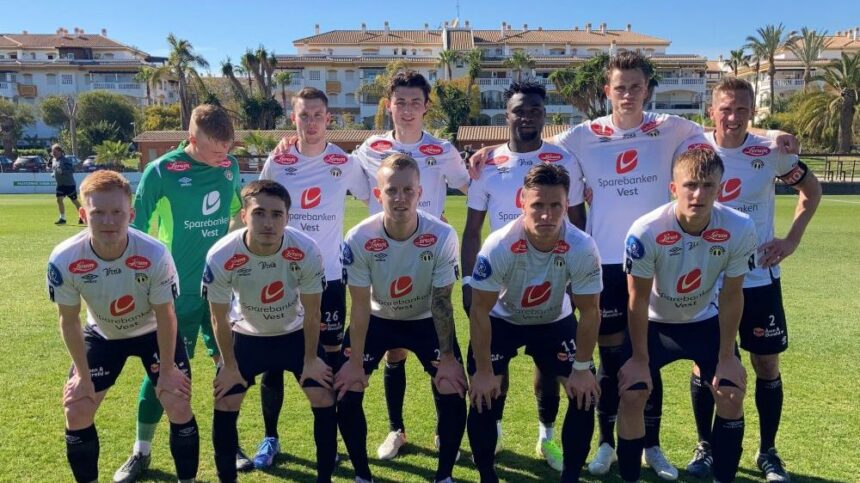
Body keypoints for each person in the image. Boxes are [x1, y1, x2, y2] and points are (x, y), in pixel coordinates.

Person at [468, 51, 798, 480]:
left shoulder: (671, 127)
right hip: (604, 263)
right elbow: (531, 140)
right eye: (620, 87)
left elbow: (724, 128)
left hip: (659, 259)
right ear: (608, 90)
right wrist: (493, 150)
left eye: (636, 87)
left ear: (647, 90)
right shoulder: (584, 134)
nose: (627, 94)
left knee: (645, 359)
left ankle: (651, 447)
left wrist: (771, 132)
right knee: (613, 360)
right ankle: (606, 443)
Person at [683, 78, 821, 481]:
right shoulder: (692, 148)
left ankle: (768, 451)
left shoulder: (770, 152)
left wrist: (791, 240)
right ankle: (706, 447)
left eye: (742, 109)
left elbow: (811, 191)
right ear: (712, 111)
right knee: (705, 363)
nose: (733, 117)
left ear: (751, 112)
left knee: (766, 363)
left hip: (759, 277)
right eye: (725, 109)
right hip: (707, 279)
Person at [115, 104, 246, 482]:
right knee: (164, 372)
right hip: (175, 294)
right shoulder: (161, 171)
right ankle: (141, 451)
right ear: (191, 139)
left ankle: (229, 444)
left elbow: (236, 212)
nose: (223, 156)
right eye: (215, 150)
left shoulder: (229, 167)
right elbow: (135, 230)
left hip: (219, 289)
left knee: (229, 366)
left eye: (227, 148)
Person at [462, 80, 586, 471]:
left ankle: (546, 436)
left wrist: (572, 279)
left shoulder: (564, 159)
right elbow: (471, 230)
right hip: (499, 292)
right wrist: (468, 283)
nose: (527, 117)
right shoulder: (487, 164)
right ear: (507, 115)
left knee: (550, 368)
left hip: (551, 289)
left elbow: (578, 222)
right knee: (492, 372)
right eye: (520, 110)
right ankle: (494, 431)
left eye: (535, 110)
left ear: (544, 115)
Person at [349, 70, 470, 459]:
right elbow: (337, 170)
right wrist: (292, 143)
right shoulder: (370, 148)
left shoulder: (442, 149)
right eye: (400, 101)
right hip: (382, 259)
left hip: (429, 257)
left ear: (426, 106)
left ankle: (442, 432)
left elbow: (471, 183)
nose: (407, 109)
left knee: (437, 345)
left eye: (415, 102)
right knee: (394, 351)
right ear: (389, 105)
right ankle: (396, 430)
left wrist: (490, 158)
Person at [616, 148, 757, 483]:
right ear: (673, 188)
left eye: (708, 186)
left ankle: (723, 478)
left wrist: (727, 356)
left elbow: (732, 294)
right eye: (690, 185)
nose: (698, 194)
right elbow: (637, 299)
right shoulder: (646, 230)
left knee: (731, 392)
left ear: (720, 189)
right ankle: (630, 478)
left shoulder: (739, 227)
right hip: (654, 324)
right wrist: (639, 358)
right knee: (633, 393)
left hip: (704, 322)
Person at [47, 170, 198, 483]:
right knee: (77, 408)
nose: (108, 221)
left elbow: (166, 314)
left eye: (117, 212)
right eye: (97, 213)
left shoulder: (154, 254)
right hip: (103, 334)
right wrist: (82, 376)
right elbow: (69, 319)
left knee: (177, 401)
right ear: (82, 214)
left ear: (131, 214)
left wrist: (167, 370)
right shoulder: (64, 258)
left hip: (153, 332)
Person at [254, 87, 370, 469]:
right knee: (273, 360)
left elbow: (374, 197)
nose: (311, 122)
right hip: (281, 276)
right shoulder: (279, 160)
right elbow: (258, 205)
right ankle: (270, 438)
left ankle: (330, 440)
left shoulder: (344, 162)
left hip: (329, 279)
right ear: (294, 119)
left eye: (318, 115)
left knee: (329, 359)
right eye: (304, 115)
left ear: (328, 118)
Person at [334, 154, 467, 483]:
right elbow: (360, 305)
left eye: (408, 190)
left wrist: (448, 358)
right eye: (391, 190)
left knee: (452, 386)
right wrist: (354, 364)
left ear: (420, 193)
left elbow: (442, 302)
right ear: (378, 194)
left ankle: (444, 475)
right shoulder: (359, 238)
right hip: (378, 318)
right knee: (347, 390)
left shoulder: (442, 234)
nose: (400, 198)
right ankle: (363, 474)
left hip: (425, 318)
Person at [467, 163, 602, 483]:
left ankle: (570, 476)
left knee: (584, 394)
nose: (546, 215)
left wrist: (582, 369)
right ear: (522, 201)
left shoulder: (582, 246)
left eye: (556, 205)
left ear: (567, 205)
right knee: (484, 394)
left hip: (555, 320)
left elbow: (590, 311)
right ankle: (487, 475)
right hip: (503, 320)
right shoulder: (499, 245)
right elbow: (479, 310)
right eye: (538, 205)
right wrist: (483, 372)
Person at [203, 180, 336, 483]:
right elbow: (218, 317)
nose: (268, 223)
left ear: (288, 218)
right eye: (259, 213)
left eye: (277, 215)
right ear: (244, 215)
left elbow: (313, 311)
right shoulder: (221, 254)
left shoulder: (306, 249)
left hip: (295, 335)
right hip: (248, 336)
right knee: (225, 399)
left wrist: (311, 360)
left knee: (323, 395)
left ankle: (325, 479)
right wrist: (229, 366)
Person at [51, 144, 84, 225]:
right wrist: (54, 174)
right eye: (52, 152)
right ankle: (62, 218)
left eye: (55, 152)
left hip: (69, 184)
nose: (53, 153)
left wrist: (63, 172)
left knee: (75, 201)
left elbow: (72, 170)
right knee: (59, 200)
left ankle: (82, 217)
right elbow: (55, 169)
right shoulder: (54, 160)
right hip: (60, 185)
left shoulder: (66, 160)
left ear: (60, 151)